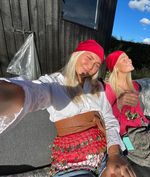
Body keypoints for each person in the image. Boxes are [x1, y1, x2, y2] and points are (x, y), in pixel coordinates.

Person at [0, 40, 136, 177]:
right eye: (89, 58)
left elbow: (109, 119)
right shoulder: (53, 84)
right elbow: (33, 92)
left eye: (97, 65)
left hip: (105, 157)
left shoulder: (97, 88)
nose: (91, 66)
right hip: (72, 164)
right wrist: (9, 94)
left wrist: (114, 154)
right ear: (76, 55)